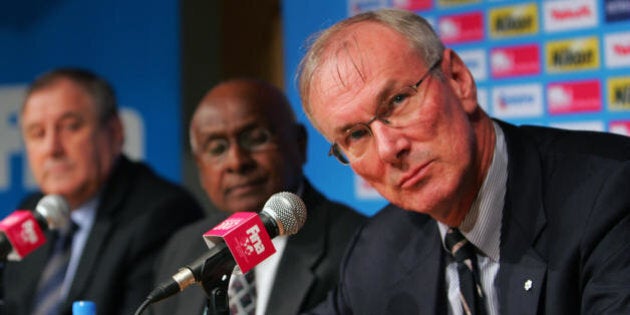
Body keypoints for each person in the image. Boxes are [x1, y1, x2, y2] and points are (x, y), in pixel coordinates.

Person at [296, 8, 630, 315]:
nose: (388, 148)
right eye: (355, 135)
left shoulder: (611, 194)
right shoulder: (376, 253)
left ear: (458, 79)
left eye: (398, 101)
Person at [151, 78, 367, 315]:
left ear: (300, 144)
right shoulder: (183, 249)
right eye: (217, 148)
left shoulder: (356, 245)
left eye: (255, 138)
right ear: (201, 169)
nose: (236, 162)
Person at [1, 68, 204, 315]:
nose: (52, 148)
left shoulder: (161, 214)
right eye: (37, 133)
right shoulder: (33, 212)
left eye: (70, 127)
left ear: (115, 132)